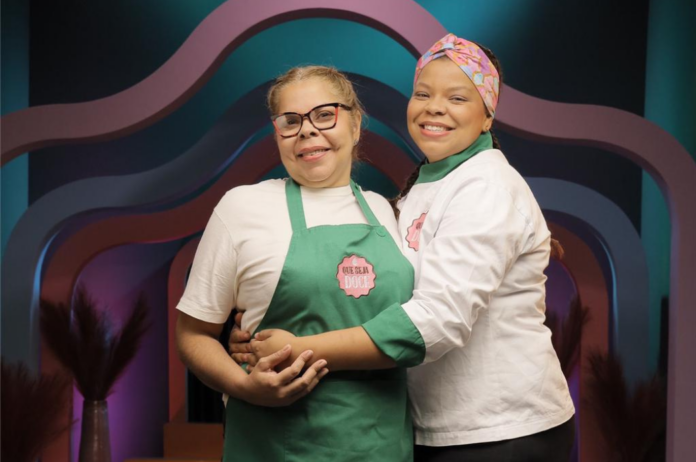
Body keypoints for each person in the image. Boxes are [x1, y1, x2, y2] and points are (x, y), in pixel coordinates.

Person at [232, 34, 576, 461]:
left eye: (457, 97)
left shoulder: (486, 186)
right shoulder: (422, 187)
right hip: (437, 426)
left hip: (501, 430)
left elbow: (440, 319)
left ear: (488, 116)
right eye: (423, 94)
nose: (435, 107)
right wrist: (262, 331)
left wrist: (299, 348)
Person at [176, 65, 419, 461]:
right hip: (274, 445)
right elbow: (192, 335)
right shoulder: (242, 208)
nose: (307, 130)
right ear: (277, 135)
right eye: (290, 121)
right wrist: (244, 386)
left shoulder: (387, 212)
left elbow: (420, 324)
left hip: (382, 446)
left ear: (356, 124)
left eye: (324, 115)